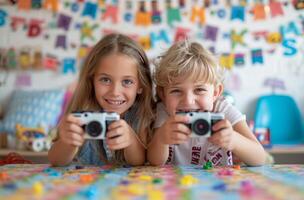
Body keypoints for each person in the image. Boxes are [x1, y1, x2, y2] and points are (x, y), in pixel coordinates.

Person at [147, 40, 267, 166]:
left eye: (199, 90)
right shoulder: (164, 111)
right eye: (176, 91)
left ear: (216, 92)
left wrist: (234, 140)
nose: (188, 101)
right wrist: (161, 139)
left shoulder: (223, 109)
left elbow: (260, 158)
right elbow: (155, 162)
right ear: (163, 94)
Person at [48, 33, 155, 166]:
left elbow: (140, 162)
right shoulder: (83, 112)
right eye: (105, 80)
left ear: (141, 85)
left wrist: (131, 141)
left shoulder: (142, 116)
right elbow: (56, 161)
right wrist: (67, 141)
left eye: (127, 81)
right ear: (92, 80)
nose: (115, 92)